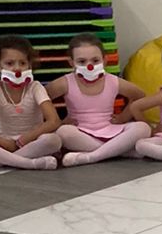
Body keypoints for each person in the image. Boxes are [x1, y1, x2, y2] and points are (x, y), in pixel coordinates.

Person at [0, 35, 63, 169]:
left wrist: (24, 139)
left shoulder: (35, 87)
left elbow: (54, 121)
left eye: (22, 63)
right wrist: (3, 142)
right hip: (5, 143)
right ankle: (27, 162)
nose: (17, 68)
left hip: (32, 141)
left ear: (29, 65)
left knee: (53, 140)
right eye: (9, 63)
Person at [45, 33, 147, 164]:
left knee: (142, 128)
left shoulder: (113, 81)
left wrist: (123, 117)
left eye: (95, 60)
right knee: (63, 132)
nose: (89, 66)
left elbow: (139, 95)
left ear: (104, 60)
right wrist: (58, 121)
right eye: (82, 62)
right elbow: (39, 99)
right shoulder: (65, 82)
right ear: (71, 62)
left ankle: (92, 156)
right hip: (80, 132)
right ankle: (121, 151)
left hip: (110, 129)